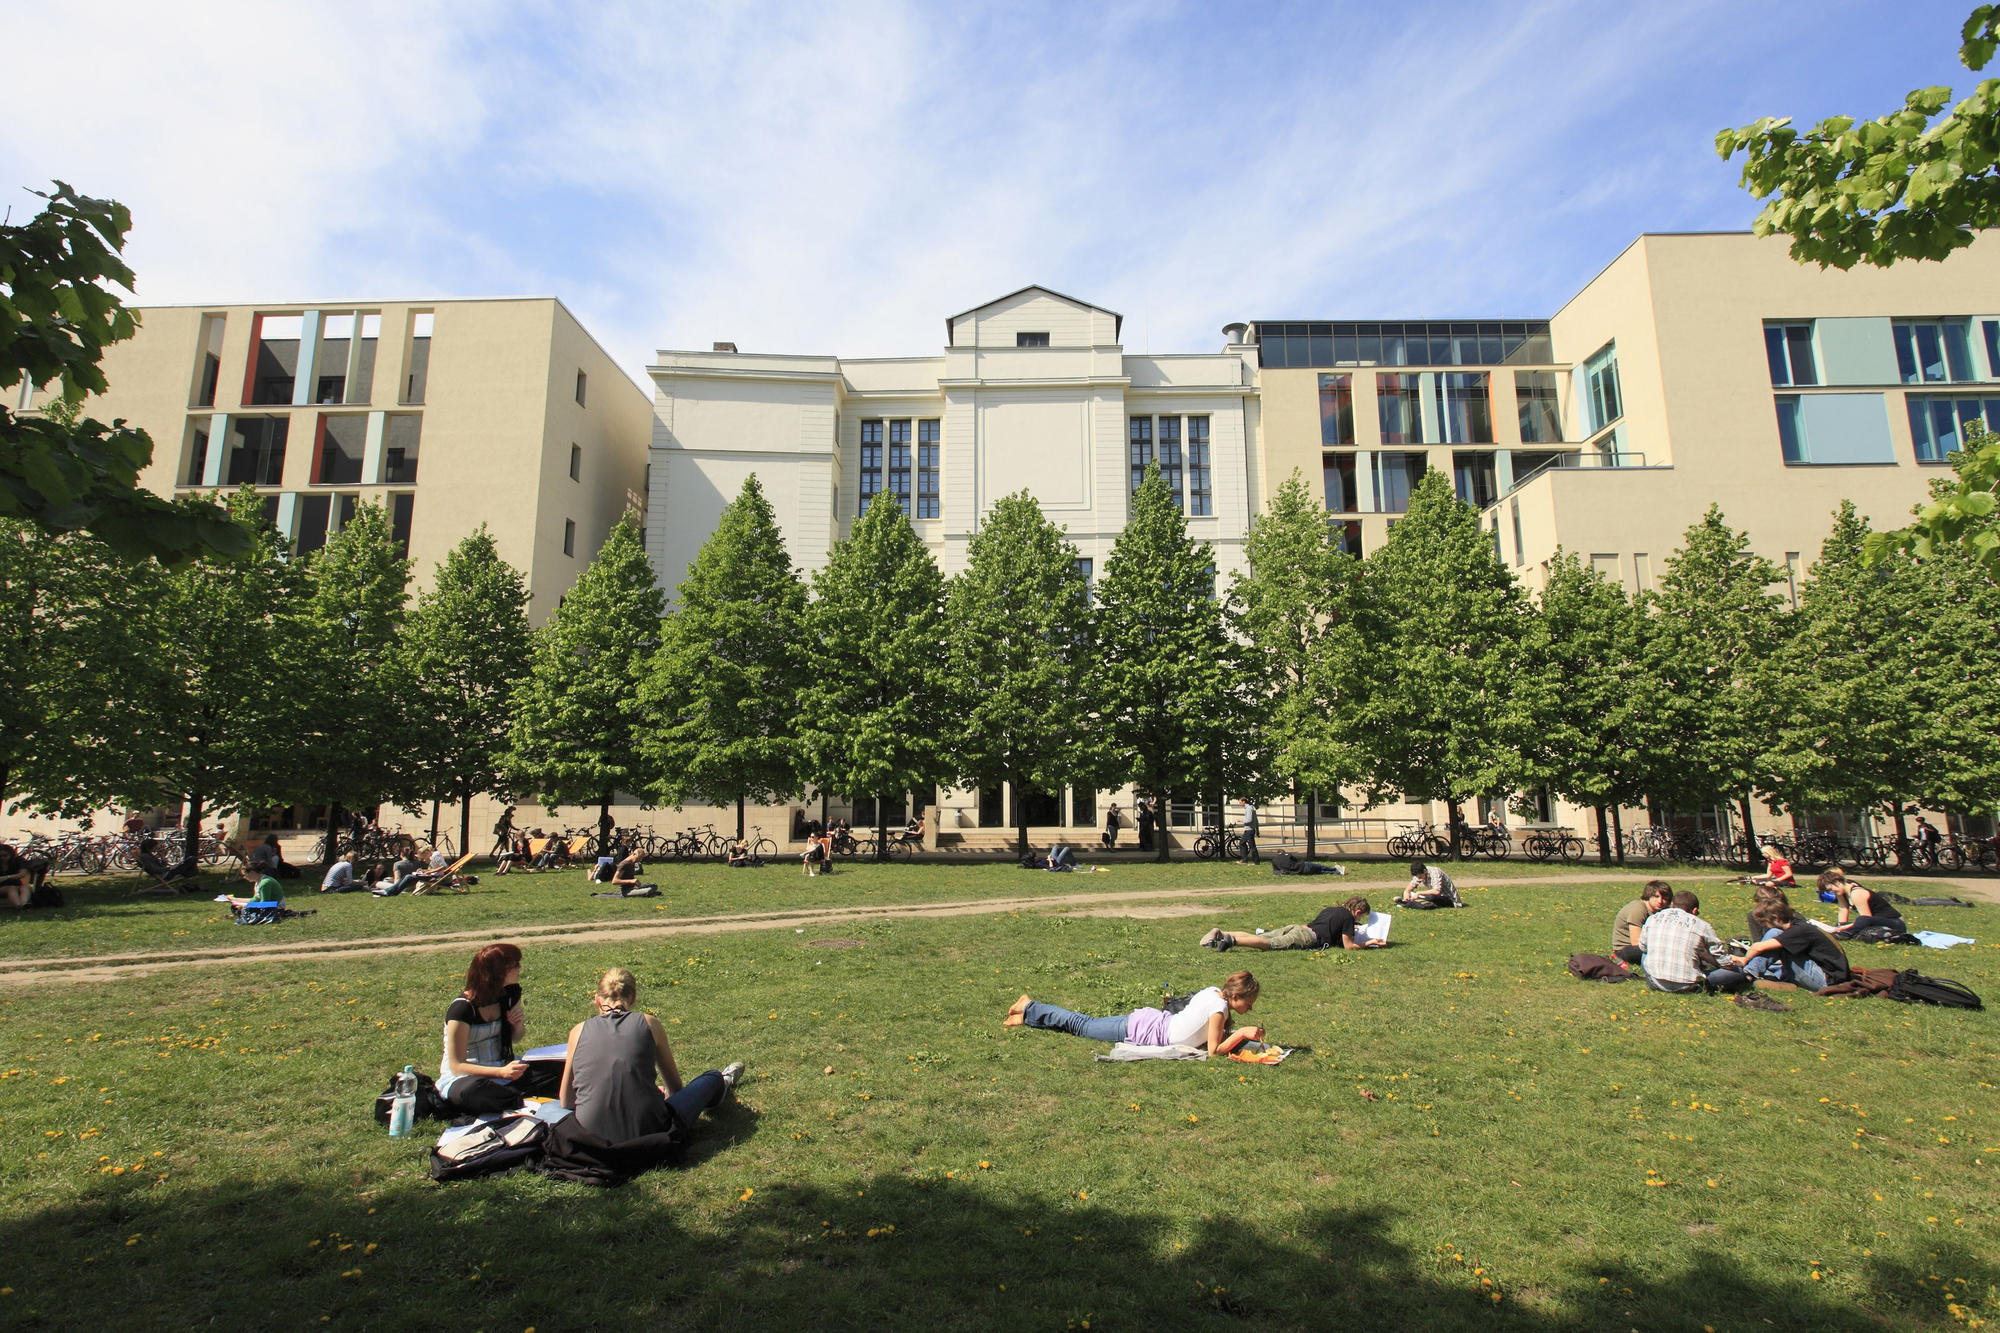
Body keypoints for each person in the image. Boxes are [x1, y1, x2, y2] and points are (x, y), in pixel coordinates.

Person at [558, 967, 745, 1143]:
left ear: (598, 999)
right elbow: (674, 1087)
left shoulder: (578, 1031)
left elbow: (566, 1100)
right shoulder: (649, 1024)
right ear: (633, 998)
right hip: (651, 1133)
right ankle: (723, 1081)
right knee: (711, 1078)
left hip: (591, 1139)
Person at [1004, 970, 1262, 1053]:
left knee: (1083, 1025)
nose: (1249, 1009)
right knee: (1082, 1025)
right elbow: (1215, 1052)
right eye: (1248, 1003)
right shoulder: (1218, 1008)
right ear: (1236, 996)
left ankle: (1026, 1016)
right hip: (1143, 1028)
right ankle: (1030, 1006)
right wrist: (1242, 1034)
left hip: (1151, 1023)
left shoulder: (1214, 993)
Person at [439, 942, 530, 1115]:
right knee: (472, 1092)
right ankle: (518, 1098)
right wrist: (501, 1072)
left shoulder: (509, 995)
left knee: (553, 1068)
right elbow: (457, 1065)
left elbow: (515, 1038)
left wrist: (517, 1026)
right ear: (498, 973)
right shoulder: (462, 1009)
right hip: (467, 1077)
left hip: (502, 1067)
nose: (519, 968)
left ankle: (510, 1098)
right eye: (515, 965)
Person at [1638, 890, 1750, 994]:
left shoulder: (1653, 918)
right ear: (1695, 910)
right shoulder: (1702, 925)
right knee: (1737, 972)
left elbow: (1643, 947)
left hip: (1654, 982)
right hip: (1688, 985)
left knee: (1645, 954)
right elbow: (1724, 962)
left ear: (1673, 904)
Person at [1736, 898, 1852, 993]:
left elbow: (1758, 947)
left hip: (1827, 981)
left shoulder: (1799, 930)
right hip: (1827, 974)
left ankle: (1748, 975)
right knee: (1775, 942)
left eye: (1763, 923)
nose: (1763, 926)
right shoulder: (1798, 925)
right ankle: (1767, 976)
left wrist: (1745, 959)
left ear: (1775, 918)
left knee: (1774, 937)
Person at [1199, 897, 1383, 952]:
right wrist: (1369, 942)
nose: (1359, 921)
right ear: (1358, 912)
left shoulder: (1331, 909)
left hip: (1298, 928)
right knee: (1270, 945)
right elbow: (1349, 946)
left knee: (1260, 937)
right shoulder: (1348, 918)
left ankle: (1221, 933)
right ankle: (1232, 941)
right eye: (1361, 918)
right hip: (1306, 937)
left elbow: (1326, 925)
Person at [1822, 868, 1906, 940]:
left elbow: (1865, 918)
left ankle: (1845, 934)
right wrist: (1839, 926)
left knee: (1862, 921)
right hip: (1876, 922)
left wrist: (1844, 929)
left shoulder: (1857, 893)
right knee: (1846, 925)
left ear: (1838, 882)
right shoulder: (1841, 891)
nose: (1831, 892)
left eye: (1830, 889)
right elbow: (1843, 909)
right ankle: (1844, 933)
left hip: (1895, 923)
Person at [1611, 880, 1673, 966]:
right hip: (1626, 949)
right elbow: (1636, 942)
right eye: (1656, 896)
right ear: (1649, 895)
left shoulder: (1664, 911)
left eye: (1664, 898)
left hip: (1648, 945)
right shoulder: (1638, 909)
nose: (1660, 901)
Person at [0, 841, 48, 909]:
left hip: (16, 884)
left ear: (11, 854)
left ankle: (22, 905)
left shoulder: (18, 861)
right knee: (11, 888)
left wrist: (6, 877)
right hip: (2, 886)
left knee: (25, 887)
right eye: (0, 856)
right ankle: (18, 906)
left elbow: (22, 874)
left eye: (5, 855)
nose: (2, 858)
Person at [1269, 850, 1346, 876]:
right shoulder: (1287, 854)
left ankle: (1337, 872)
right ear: (1282, 852)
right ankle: (1335, 869)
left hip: (1301, 872)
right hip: (1303, 866)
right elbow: (1296, 860)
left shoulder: (1274, 861)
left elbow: (1275, 872)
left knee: (1320, 872)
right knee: (1320, 866)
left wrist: (1284, 872)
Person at [1236, 798, 1260, 865]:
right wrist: (1257, 829)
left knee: (1252, 846)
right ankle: (1244, 859)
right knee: (1242, 843)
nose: (1240, 804)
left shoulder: (1249, 808)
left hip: (1249, 829)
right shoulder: (1251, 808)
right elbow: (1256, 820)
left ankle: (1255, 861)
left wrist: (1240, 820)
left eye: (1240, 802)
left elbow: (1249, 820)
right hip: (1249, 829)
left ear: (1244, 802)